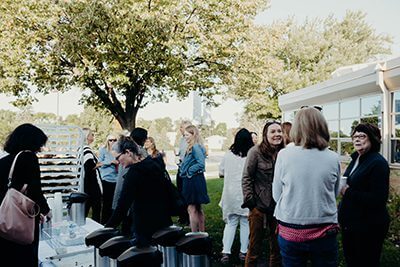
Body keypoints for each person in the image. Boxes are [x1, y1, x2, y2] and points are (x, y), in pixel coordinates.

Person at [272, 107, 341, 267]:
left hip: (291, 228)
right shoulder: (333, 157)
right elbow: (334, 192)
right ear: (322, 126)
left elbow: (277, 194)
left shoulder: (284, 155)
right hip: (325, 229)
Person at [338, 123, 390, 267]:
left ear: (372, 138)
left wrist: (348, 192)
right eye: (355, 136)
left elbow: (378, 199)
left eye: (362, 136)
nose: (357, 140)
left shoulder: (377, 163)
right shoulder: (356, 159)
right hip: (351, 224)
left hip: (368, 227)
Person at [0, 123, 51, 266]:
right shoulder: (28, 157)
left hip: (3, 220)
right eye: (39, 144)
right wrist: (46, 211)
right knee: (25, 258)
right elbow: (35, 191)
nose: (40, 149)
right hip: (20, 222)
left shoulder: (4, 161)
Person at [105, 136, 172, 246]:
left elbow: (123, 205)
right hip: (164, 221)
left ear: (128, 152)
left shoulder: (133, 174)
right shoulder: (152, 163)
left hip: (145, 226)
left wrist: (108, 228)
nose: (117, 162)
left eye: (118, 158)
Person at [242, 121, 284, 267]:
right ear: (266, 135)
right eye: (273, 131)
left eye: (279, 131)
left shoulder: (285, 153)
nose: (277, 134)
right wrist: (250, 202)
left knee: (277, 247)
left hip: (278, 207)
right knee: (254, 246)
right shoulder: (255, 151)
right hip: (258, 207)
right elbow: (246, 177)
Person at [219, 128, 254, 263]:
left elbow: (221, 172)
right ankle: (243, 252)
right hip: (246, 193)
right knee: (245, 222)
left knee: (231, 223)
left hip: (230, 193)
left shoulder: (228, 155)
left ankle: (226, 252)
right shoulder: (251, 155)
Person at [179, 125, 210, 232]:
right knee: (197, 208)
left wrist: (189, 171)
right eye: (184, 135)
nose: (185, 137)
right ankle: (202, 233)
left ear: (193, 135)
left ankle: (194, 234)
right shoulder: (193, 146)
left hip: (193, 179)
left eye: (187, 135)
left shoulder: (195, 147)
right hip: (195, 179)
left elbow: (201, 164)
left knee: (191, 208)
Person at [82, 128, 102, 223]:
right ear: (86, 137)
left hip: (86, 185)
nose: (93, 137)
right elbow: (89, 167)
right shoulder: (86, 150)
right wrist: (99, 164)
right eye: (91, 135)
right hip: (92, 186)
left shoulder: (81, 149)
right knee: (96, 211)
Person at [98, 134, 119, 224]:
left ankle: (112, 222)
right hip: (106, 179)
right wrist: (110, 162)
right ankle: (103, 222)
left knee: (114, 202)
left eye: (114, 140)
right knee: (107, 202)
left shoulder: (119, 151)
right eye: (110, 140)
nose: (112, 142)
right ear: (107, 141)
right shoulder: (103, 150)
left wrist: (118, 162)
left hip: (116, 179)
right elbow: (98, 164)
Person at [175, 120, 192, 225]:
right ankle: (182, 216)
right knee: (180, 194)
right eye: (180, 127)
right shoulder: (181, 140)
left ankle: (189, 218)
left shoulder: (192, 141)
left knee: (187, 195)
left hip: (187, 172)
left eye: (183, 127)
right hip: (180, 169)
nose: (180, 129)